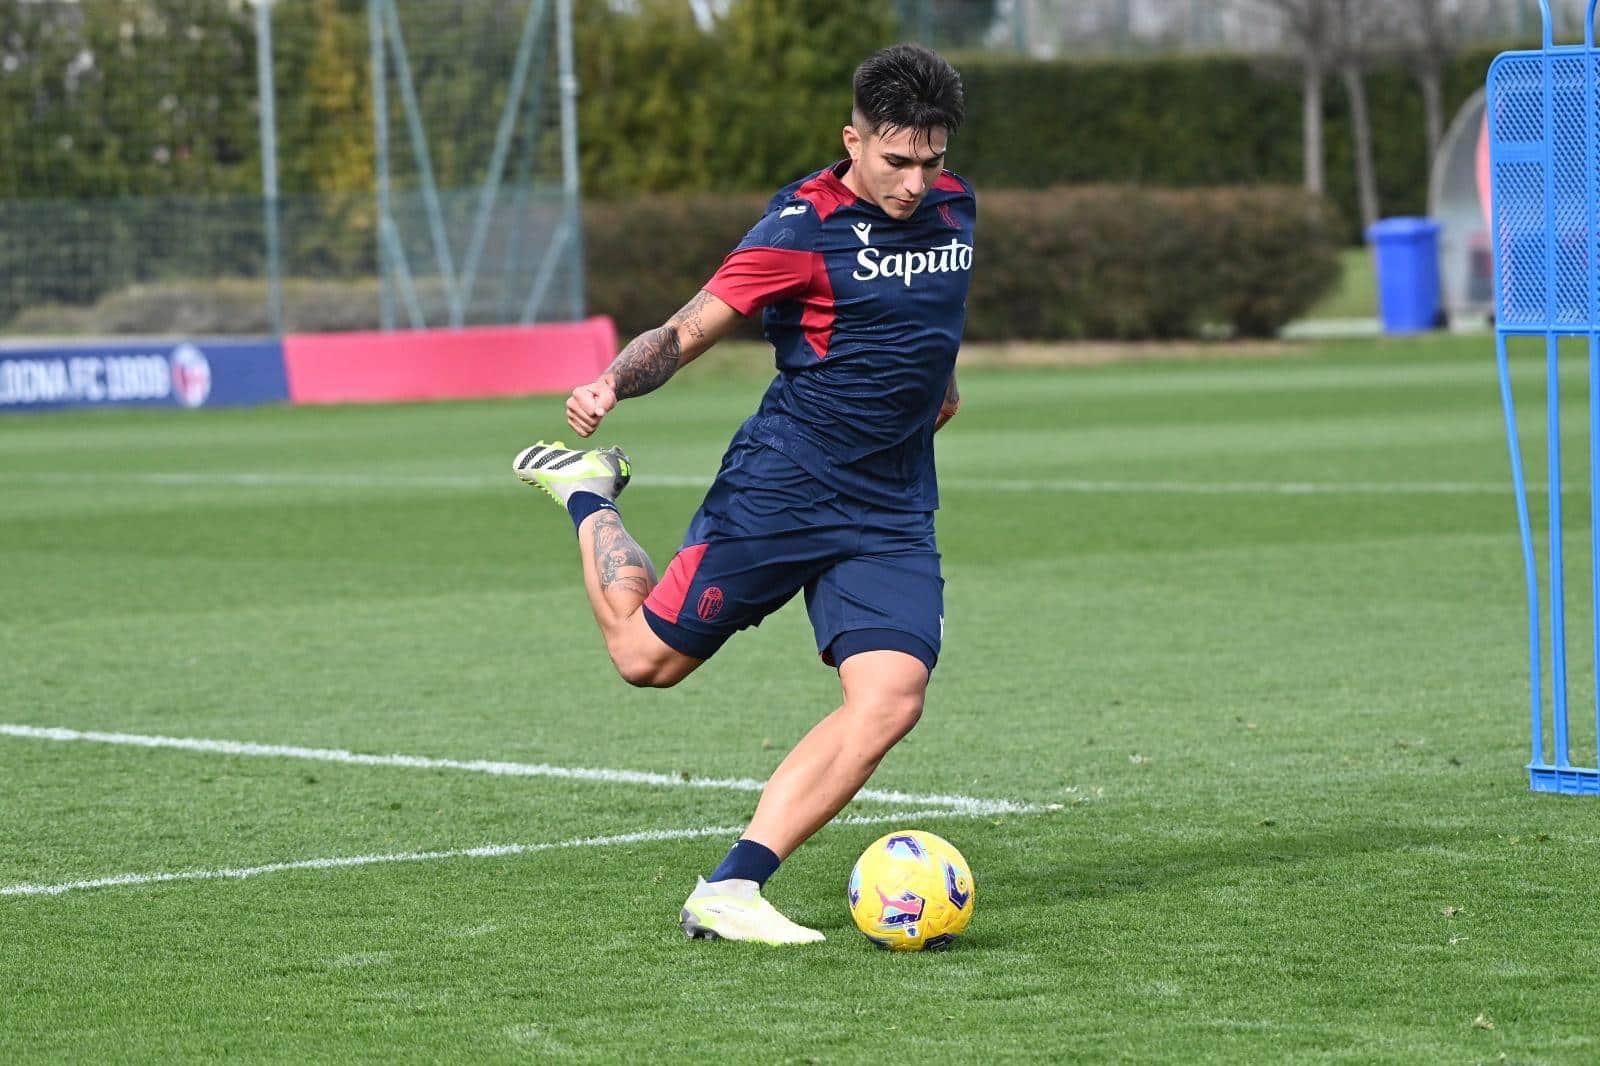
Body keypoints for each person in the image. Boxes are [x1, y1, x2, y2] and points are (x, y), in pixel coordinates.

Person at [513, 43, 972, 945]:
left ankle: (731, 888)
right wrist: (609, 386)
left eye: (932, 160)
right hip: (786, 486)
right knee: (647, 661)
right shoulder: (801, 229)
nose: (916, 183)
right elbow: (687, 329)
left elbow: (931, 321)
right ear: (853, 141)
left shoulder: (957, 207)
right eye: (896, 161)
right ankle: (586, 493)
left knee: (891, 696)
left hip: (890, 504)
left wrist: (934, 391)